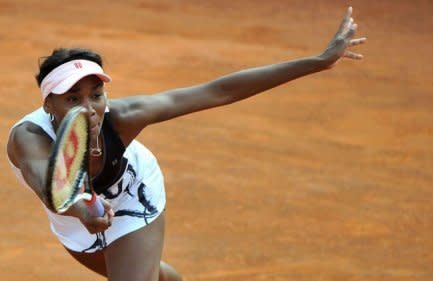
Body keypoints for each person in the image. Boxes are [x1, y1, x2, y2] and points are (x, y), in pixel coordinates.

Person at [6, 7, 365, 281]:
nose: (89, 108)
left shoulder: (124, 116)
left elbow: (217, 92)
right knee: (147, 274)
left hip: (133, 195)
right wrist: (83, 212)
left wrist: (318, 62)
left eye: (96, 94)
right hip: (75, 219)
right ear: (47, 105)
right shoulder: (29, 140)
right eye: (72, 99)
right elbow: (49, 186)